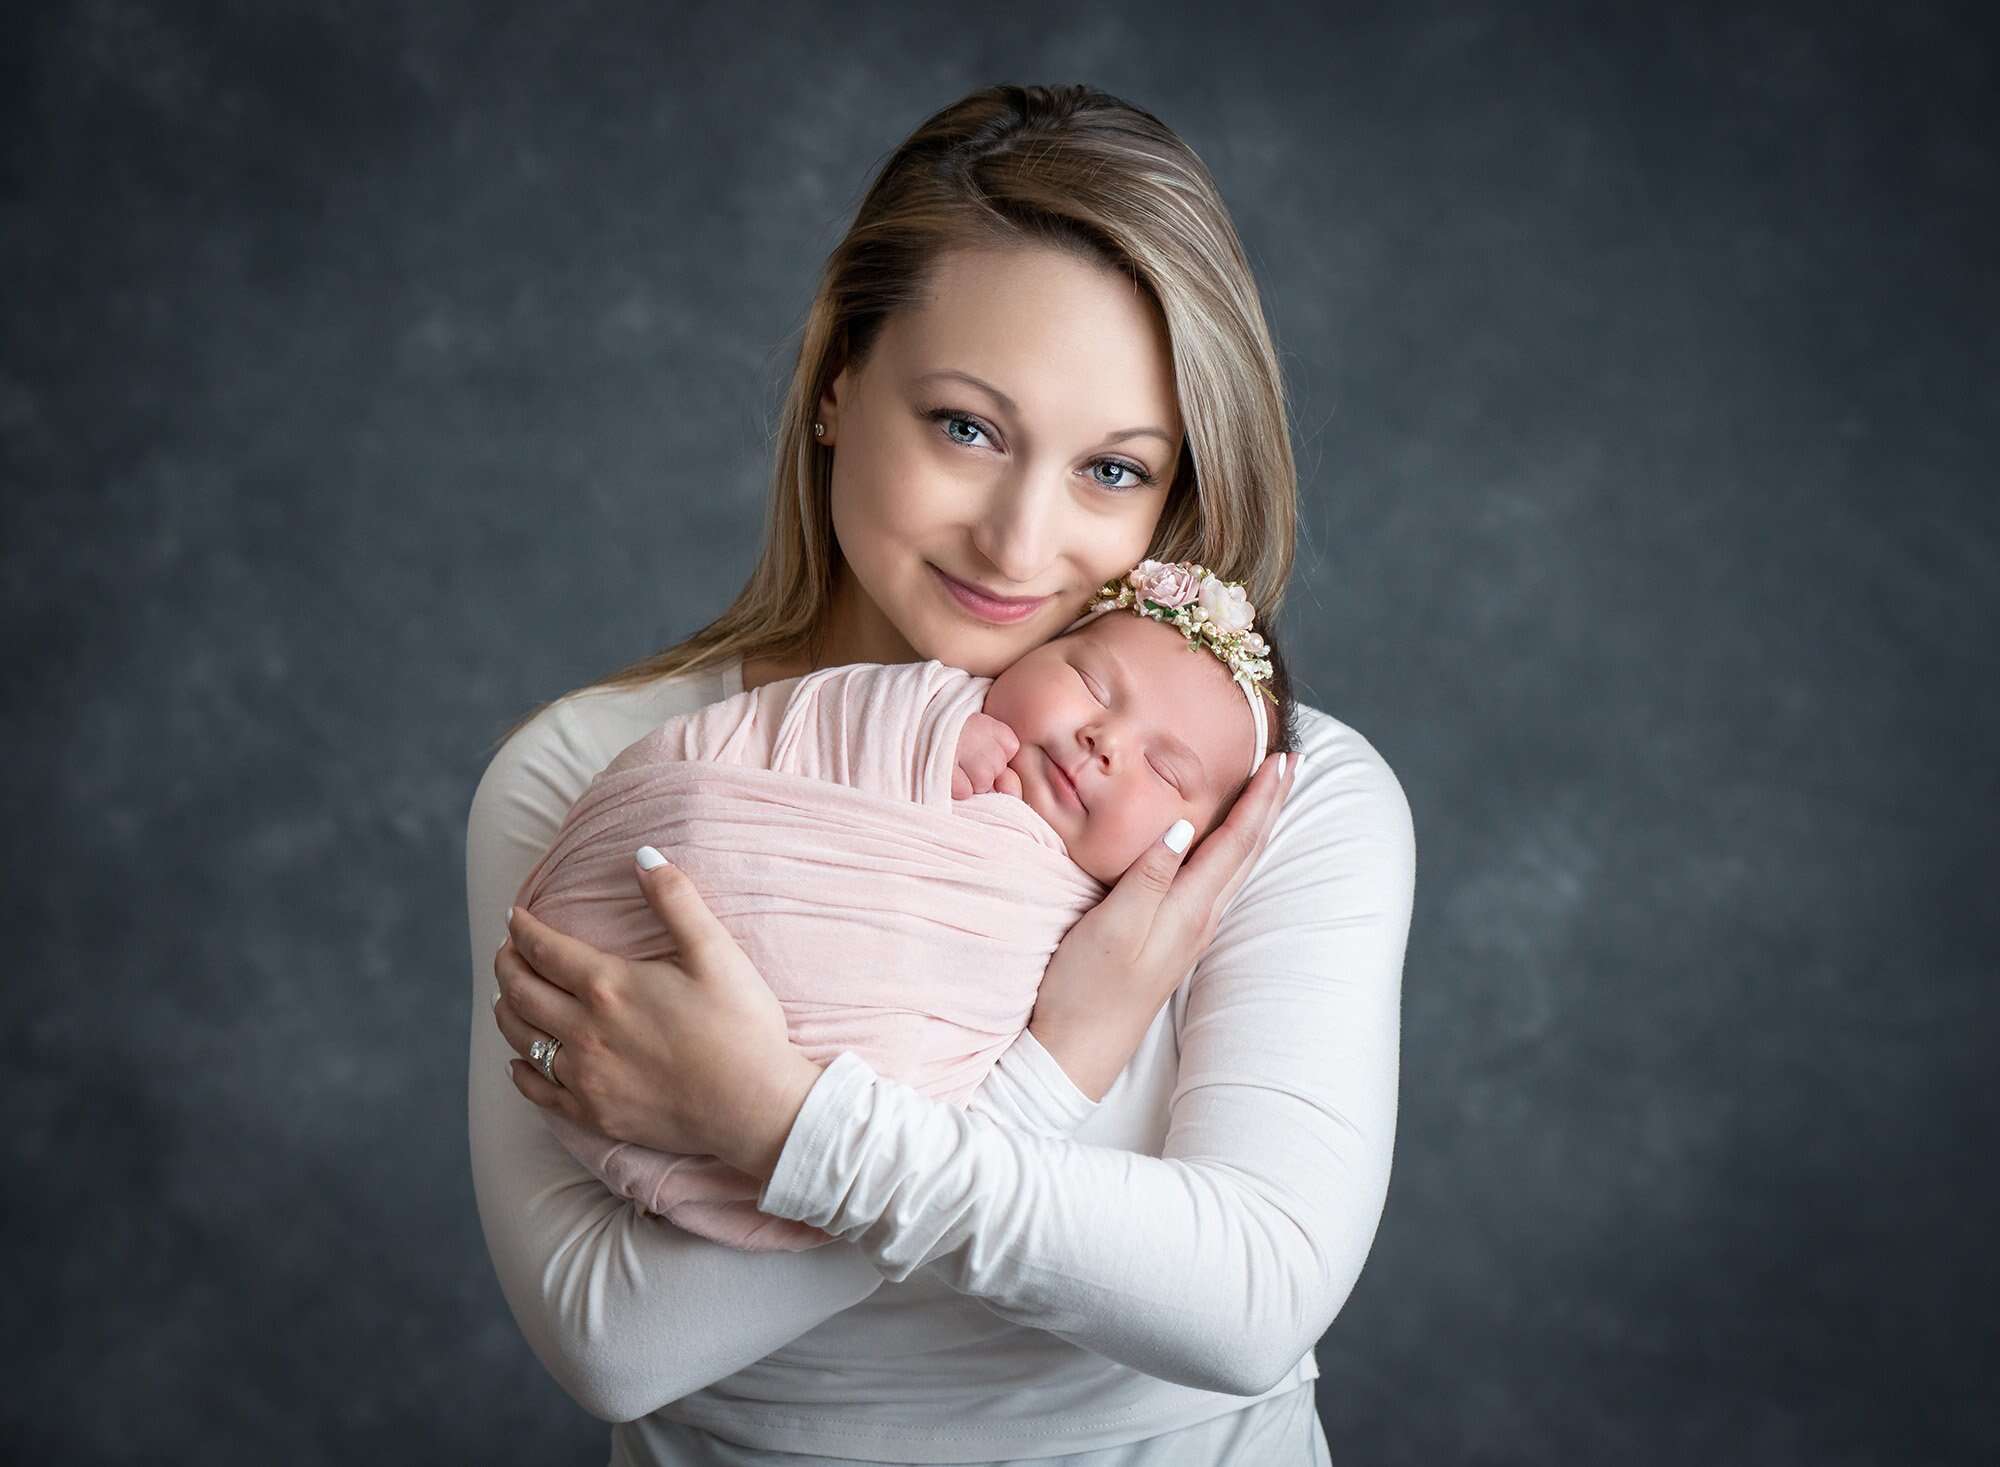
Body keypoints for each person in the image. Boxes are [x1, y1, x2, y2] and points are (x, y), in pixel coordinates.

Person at [469, 82, 1414, 1465]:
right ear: (839, 383)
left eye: (1111, 467)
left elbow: (1253, 1297)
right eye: (967, 428)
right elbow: (618, 1342)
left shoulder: (1273, 798)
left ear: (1173, 493)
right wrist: (1048, 1064)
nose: (1021, 542)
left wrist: (774, 1117)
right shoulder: (594, 771)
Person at [512, 560, 1297, 1253]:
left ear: (1201, 847)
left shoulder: (1115, 926)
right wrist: (919, 739)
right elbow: (799, 724)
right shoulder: (925, 704)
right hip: (612, 957)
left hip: (807, 1122)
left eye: (1164, 768)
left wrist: (763, 1112)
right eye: (1092, 682)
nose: (1105, 741)